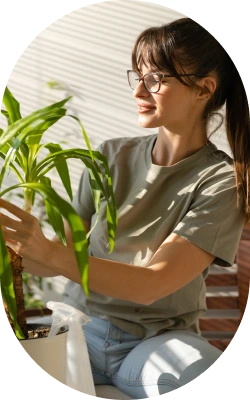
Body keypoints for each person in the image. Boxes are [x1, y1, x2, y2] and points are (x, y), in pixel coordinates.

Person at [0, 17, 249, 399]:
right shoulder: (109, 155)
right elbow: (53, 258)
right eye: (138, 76)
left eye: (156, 79)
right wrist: (17, 248)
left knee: (201, 371)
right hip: (80, 327)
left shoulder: (220, 182)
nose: (139, 91)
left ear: (204, 89)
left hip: (155, 342)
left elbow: (152, 285)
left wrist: (49, 251)